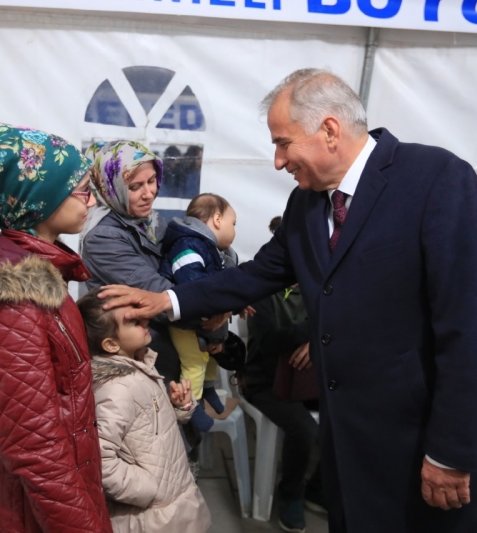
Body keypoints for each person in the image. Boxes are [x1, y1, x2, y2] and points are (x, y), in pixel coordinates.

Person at [100, 69, 477, 532]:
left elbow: (470, 325)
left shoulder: (435, 179)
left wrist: (451, 450)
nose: (278, 161)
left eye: (283, 143)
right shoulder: (308, 202)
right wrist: (170, 301)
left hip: (421, 444)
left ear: (330, 130)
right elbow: (258, 274)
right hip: (348, 443)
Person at [0, 123, 112, 533]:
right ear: (39, 196)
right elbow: (35, 448)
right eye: (81, 188)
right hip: (26, 516)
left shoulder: (38, 275)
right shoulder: (16, 302)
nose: (91, 199)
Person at [77, 290, 212, 533]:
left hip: (174, 503)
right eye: (135, 322)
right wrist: (149, 489)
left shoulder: (141, 367)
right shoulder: (116, 389)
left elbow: (151, 431)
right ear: (111, 344)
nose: (146, 321)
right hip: (152, 518)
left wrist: (179, 408)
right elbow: (99, 460)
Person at [242, 215, 323, 533]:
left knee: (349, 415)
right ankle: (291, 494)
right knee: (304, 430)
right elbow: (269, 342)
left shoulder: (319, 289)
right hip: (264, 382)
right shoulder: (262, 291)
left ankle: (318, 490)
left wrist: (315, 343)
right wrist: (314, 331)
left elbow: (347, 330)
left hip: (306, 379)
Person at [79, 140, 182, 385]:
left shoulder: (149, 221)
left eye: (151, 180)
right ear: (110, 188)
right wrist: (210, 310)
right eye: (135, 186)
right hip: (134, 356)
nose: (149, 193)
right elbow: (155, 291)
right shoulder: (103, 238)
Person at [158, 193, 239, 433]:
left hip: (199, 318)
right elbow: (192, 282)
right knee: (193, 362)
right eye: (233, 223)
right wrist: (220, 303)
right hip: (184, 321)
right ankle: (191, 408)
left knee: (209, 355)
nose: (234, 230)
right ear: (217, 219)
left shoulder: (208, 247)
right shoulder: (188, 245)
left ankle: (209, 388)